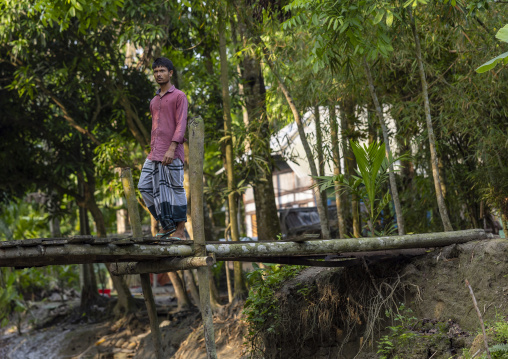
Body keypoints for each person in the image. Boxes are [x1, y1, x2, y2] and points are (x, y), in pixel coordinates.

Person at [138, 57, 188, 239]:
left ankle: (180, 231)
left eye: (162, 71)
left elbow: (181, 124)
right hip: (154, 153)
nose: (159, 74)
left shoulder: (179, 96)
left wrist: (172, 148)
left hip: (172, 152)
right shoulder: (153, 101)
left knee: (176, 188)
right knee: (144, 186)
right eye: (156, 71)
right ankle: (166, 225)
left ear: (170, 73)